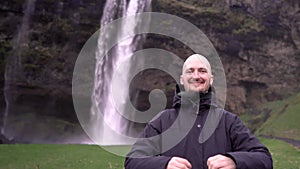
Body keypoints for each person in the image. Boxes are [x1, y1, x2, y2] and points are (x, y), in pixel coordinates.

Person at [124, 54, 273, 169]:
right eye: (190, 71)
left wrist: (234, 160)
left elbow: (264, 158)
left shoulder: (229, 121)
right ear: (182, 79)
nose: (196, 76)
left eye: (202, 71)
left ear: (211, 78)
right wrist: (164, 164)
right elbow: (132, 161)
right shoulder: (162, 121)